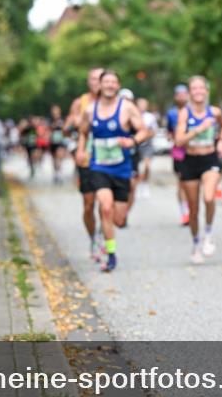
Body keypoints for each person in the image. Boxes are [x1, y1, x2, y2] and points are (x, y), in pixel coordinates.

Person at [77, 70, 149, 273]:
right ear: (99, 85)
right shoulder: (90, 110)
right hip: (99, 167)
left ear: (118, 85)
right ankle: (111, 255)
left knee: (118, 218)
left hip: (122, 168)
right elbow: (83, 132)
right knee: (105, 207)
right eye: (106, 82)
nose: (109, 85)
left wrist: (132, 141)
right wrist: (81, 150)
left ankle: (105, 230)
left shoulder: (127, 108)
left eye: (113, 82)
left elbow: (144, 131)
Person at [173, 76, 222, 264]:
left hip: (209, 158)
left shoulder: (215, 112)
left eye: (201, 88)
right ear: (189, 93)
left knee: (209, 197)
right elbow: (178, 141)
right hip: (190, 161)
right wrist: (198, 129)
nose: (198, 91)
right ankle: (196, 243)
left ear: (206, 91)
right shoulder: (184, 113)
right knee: (194, 209)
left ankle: (209, 232)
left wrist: (221, 141)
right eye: (194, 88)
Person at [67, 68, 105, 262]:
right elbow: (66, 128)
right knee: (89, 204)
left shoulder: (115, 103)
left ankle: (104, 236)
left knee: (106, 204)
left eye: (100, 78)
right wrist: (73, 123)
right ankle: (93, 238)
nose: (96, 82)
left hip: (108, 159)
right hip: (87, 158)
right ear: (88, 82)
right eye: (93, 78)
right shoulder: (80, 103)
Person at [166, 85, 191, 225]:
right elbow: (169, 131)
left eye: (184, 94)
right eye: (179, 94)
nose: (181, 96)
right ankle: (185, 213)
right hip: (179, 152)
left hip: (195, 152)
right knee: (182, 183)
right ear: (175, 97)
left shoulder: (195, 111)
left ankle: (192, 209)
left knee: (192, 184)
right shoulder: (171, 113)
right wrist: (172, 137)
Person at [135, 97, 158, 199]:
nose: (142, 106)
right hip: (135, 144)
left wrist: (146, 135)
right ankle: (137, 186)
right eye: (140, 104)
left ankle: (144, 184)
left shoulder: (150, 117)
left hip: (147, 144)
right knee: (136, 168)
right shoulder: (134, 115)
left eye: (144, 105)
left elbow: (154, 131)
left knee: (147, 166)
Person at [49, 104, 68, 185]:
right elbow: (48, 130)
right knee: (54, 159)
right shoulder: (50, 120)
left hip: (61, 141)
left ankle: (59, 173)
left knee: (59, 156)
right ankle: (56, 173)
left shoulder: (63, 119)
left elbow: (66, 129)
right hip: (53, 141)